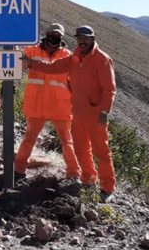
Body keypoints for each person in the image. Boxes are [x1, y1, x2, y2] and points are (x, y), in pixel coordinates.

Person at [24, 25, 117, 202]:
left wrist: (105, 111)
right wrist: (31, 62)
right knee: (81, 150)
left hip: (96, 114)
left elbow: (109, 89)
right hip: (77, 112)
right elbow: (52, 67)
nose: (82, 41)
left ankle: (107, 188)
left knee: (101, 151)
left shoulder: (102, 59)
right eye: (79, 38)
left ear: (92, 38)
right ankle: (88, 181)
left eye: (86, 38)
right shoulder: (74, 57)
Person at [14, 23, 79, 181]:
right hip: (37, 103)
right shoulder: (32, 50)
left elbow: (74, 82)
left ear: (61, 38)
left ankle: (73, 174)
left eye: (57, 36)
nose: (54, 38)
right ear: (46, 34)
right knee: (29, 138)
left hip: (60, 106)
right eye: (52, 34)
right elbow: (18, 64)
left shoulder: (67, 56)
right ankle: (19, 170)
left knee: (67, 141)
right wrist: (13, 47)